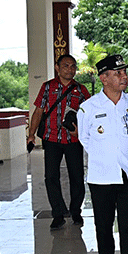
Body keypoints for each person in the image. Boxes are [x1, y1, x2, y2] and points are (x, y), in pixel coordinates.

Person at [77, 54, 128, 254]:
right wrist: (106, 157)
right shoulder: (89, 107)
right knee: (103, 225)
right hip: (101, 177)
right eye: (118, 73)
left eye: (124, 72)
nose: (124, 76)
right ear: (104, 78)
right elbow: (84, 138)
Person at [27, 54, 91, 230]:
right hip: (51, 139)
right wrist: (31, 134)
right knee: (51, 177)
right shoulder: (47, 87)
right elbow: (38, 111)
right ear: (57, 68)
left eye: (73, 66)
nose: (70, 69)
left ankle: (76, 211)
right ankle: (57, 213)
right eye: (65, 66)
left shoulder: (81, 90)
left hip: (73, 140)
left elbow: (90, 115)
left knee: (77, 177)